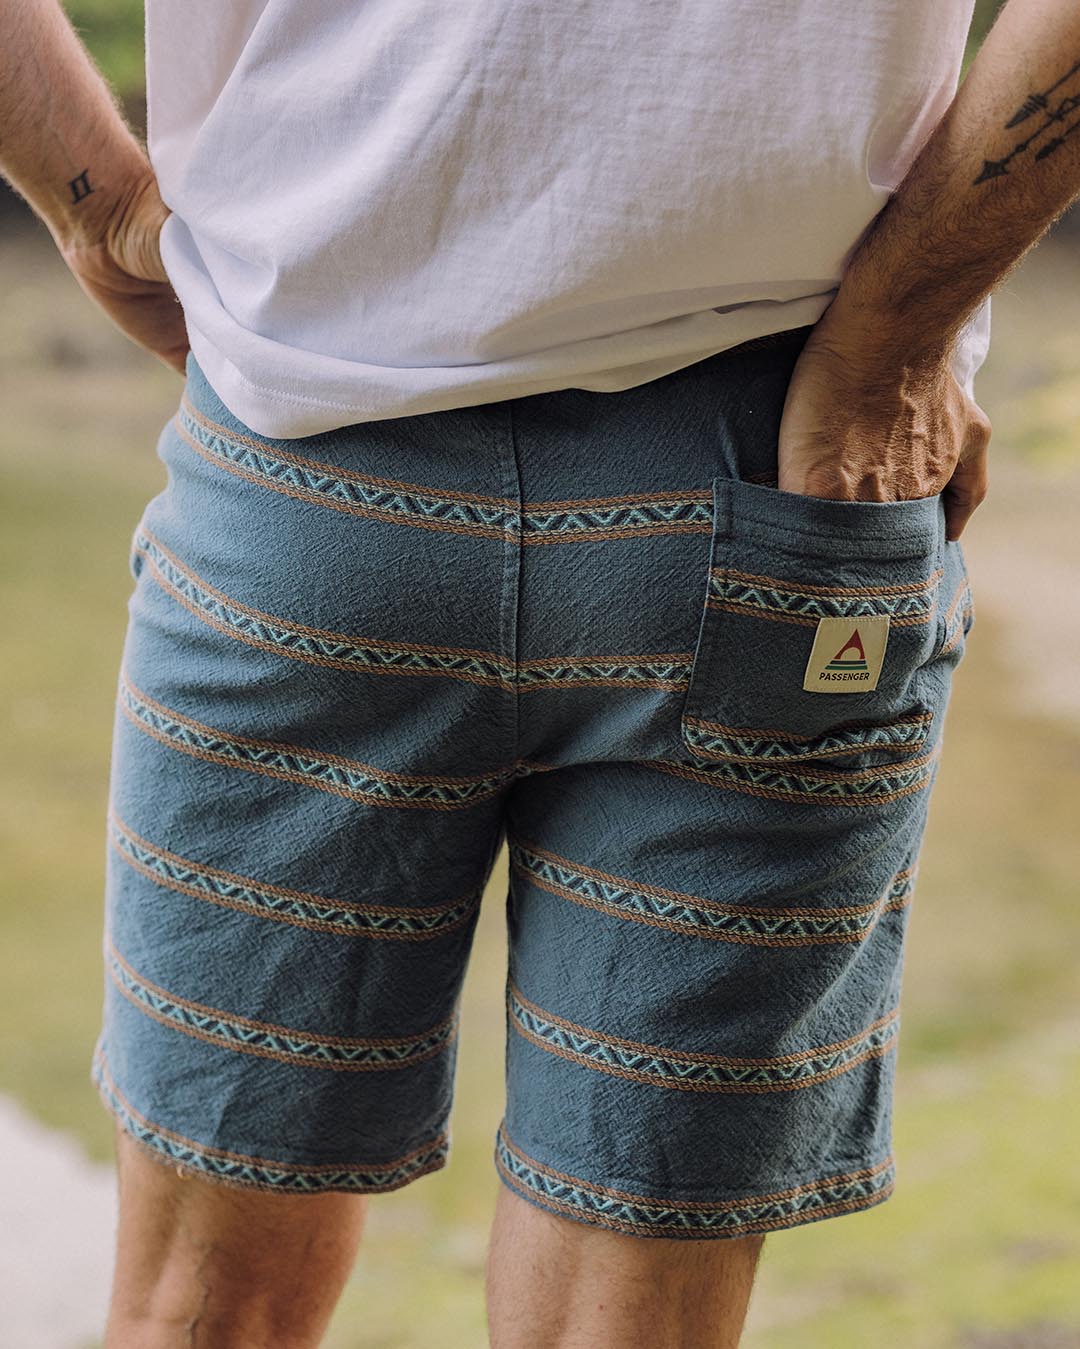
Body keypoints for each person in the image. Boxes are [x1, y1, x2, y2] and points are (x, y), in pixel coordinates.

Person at [2, 0, 1077, 1344]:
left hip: (321, 483)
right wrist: (892, 344)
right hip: (784, 475)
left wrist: (97, 199)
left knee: (195, 1308)